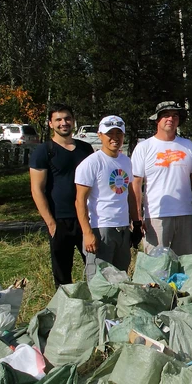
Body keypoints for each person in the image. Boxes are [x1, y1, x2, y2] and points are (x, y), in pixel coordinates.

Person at [30, 103, 94, 286]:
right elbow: (37, 190)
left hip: (86, 219)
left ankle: (97, 305)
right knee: (62, 273)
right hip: (60, 220)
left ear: (73, 121)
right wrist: (50, 222)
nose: (63, 123)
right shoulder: (44, 151)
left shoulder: (85, 149)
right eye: (58, 119)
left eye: (67, 118)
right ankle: (64, 309)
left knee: (95, 268)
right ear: (50, 123)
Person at [74, 116, 139, 280]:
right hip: (101, 228)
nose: (115, 138)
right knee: (99, 281)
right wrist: (87, 233)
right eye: (110, 134)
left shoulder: (126, 161)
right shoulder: (91, 163)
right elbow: (80, 200)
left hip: (123, 229)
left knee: (121, 278)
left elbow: (129, 194)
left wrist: (136, 222)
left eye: (119, 133)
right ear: (100, 135)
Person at [131, 101, 192, 256]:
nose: (171, 119)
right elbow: (136, 185)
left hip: (185, 214)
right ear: (157, 120)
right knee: (157, 266)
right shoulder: (144, 147)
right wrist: (137, 217)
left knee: (184, 264)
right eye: (166, 115)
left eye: (175, 116)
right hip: (155, 216)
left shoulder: (188, 145)